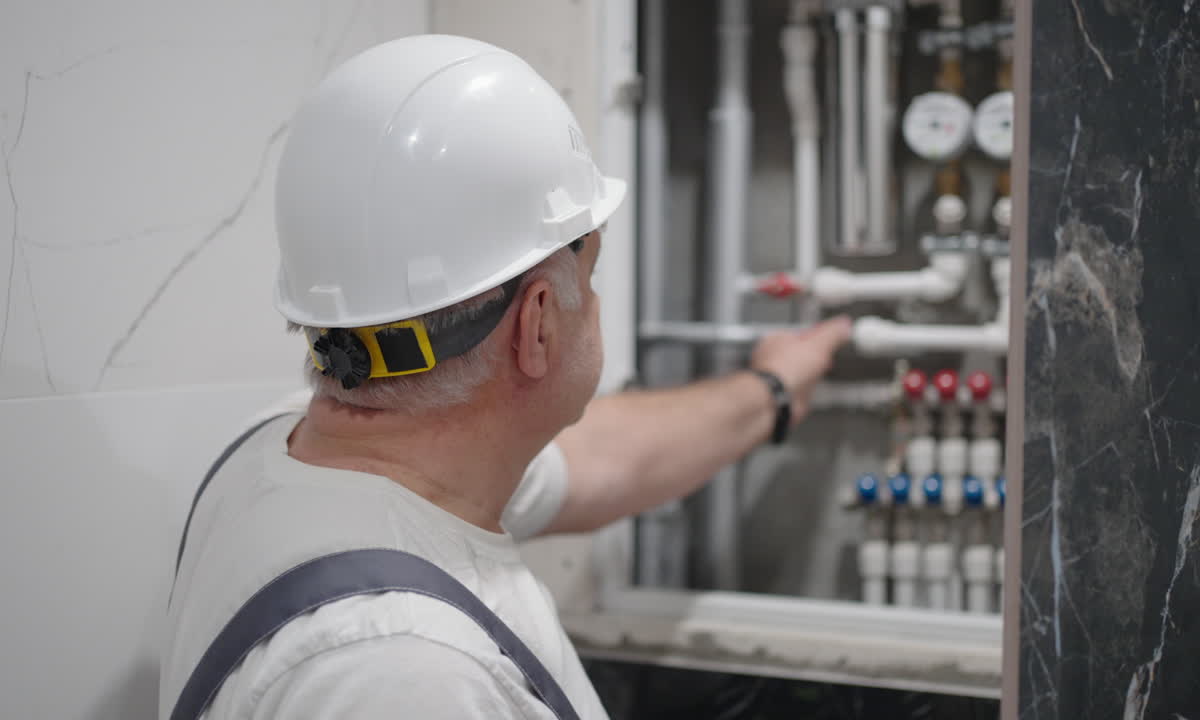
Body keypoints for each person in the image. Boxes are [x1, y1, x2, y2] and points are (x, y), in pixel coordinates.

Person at [160, 35, 851, 720]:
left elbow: (604, 456)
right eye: (590, 274)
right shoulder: (408, 675)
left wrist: (772, 389)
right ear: (537, 324)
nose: (596, 301)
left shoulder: (282, 448)